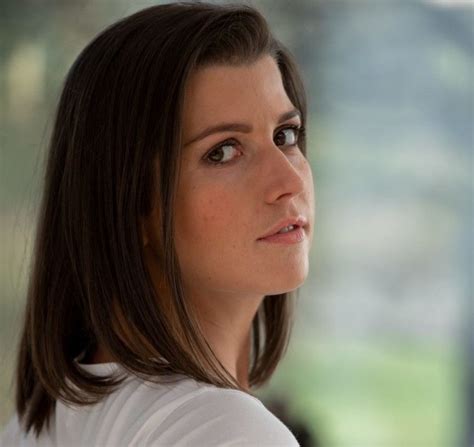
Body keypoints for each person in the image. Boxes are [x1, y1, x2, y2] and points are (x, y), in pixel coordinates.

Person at [0, 1, 315, 445]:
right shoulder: (232, 433)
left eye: (285, 135)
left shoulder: (38, 422)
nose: (288, 181)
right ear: (132, 202)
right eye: (223, 151)